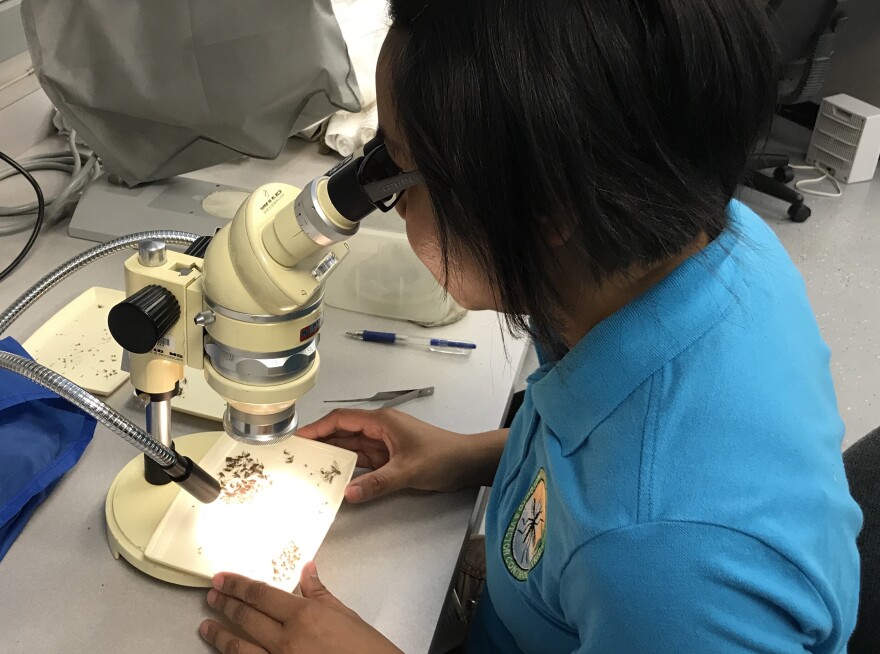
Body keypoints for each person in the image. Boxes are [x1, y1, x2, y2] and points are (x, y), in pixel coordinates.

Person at [198, 0, 862, 652]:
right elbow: (623, 450)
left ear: (544, 205)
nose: (389, 207)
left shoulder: (668, 570)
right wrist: (479, 455)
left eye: (396, 172)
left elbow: (650, 515)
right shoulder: (702, 249)